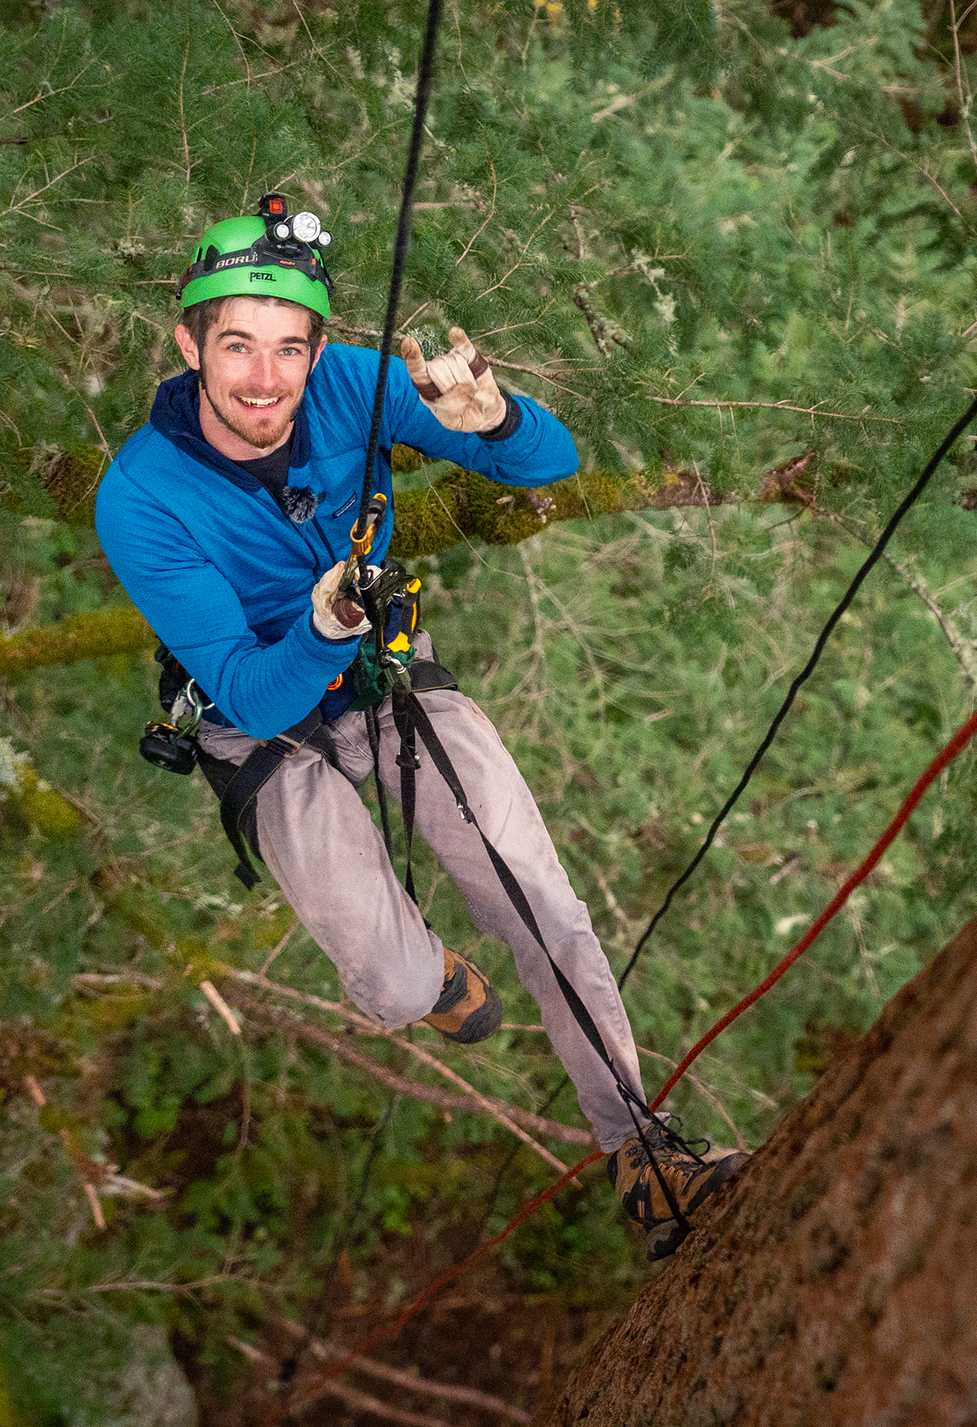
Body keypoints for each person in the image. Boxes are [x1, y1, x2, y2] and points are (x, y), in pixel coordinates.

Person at [94, 197, 744, 1251]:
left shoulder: (355, 386)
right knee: (393, 986)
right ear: (189, 345)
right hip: (260, 727)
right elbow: (253, 693)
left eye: (289, 348)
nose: (264, 378)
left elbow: (548, 465)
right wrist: (323, 623)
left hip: (385, 679)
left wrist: (495, 421)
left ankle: (641, 1146)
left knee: (544, 904)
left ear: (318, 350)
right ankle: (435, 978)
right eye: (237, 346)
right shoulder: (140, 497)